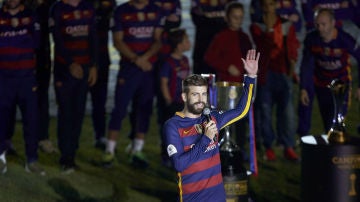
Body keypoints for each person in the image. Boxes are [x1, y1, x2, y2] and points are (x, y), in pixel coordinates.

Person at [163, 49, 258, 202]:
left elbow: (242, 111)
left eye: (204, 94)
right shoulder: (173, 126)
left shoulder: (212, 117)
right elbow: (179, 164)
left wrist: (251, 78)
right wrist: (206, 139)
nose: (201, 99)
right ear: (184, 97)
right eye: (195, 94)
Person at [101, 0, 163, 168]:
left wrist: (144, 58)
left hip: (148, 68)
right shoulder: (121, 11)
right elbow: (117, 41)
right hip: (128, 69)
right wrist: (136, 59)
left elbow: (158, 40)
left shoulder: (156, 10)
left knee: (144, 108)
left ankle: (137, 150)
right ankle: (109, 151)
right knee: (119, 109)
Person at [49, 0, 98, 173]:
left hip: (85, 68)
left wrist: (93, 65)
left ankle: (72, 155)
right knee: (66, 112)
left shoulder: (88, 7)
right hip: (65, 69)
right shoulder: (57, 8)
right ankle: (65, 157)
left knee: (78, 112)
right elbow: (57, 38)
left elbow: (93, 36)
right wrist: (70, 64)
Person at [298, 8, 360, 136]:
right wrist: (304, 87)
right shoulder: (312, 39)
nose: (320, 28)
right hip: (321, 83)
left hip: (340, 83)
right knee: (326, 117)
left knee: (337, 118)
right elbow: (306, 65)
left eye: (323, 24)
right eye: (317, 24)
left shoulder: (345, 39)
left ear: (333, 23)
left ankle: (338, 149)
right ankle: (329, 149)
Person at [250, 0, 299, 161]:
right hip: (266, 73)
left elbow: (292, 49)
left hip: (283, 72)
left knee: (287, 112)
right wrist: (270, 30)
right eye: (265, 4)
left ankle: (288, 145)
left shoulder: (286, 25)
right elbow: (263, 46)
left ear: (276, 5)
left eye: (271, 4)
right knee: (265, 111)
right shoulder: (256, 26)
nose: (268, 8)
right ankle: (268, 146)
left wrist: (290, 72)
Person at [0, 0, 45, 175]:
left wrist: (8, 39)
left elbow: (36, 43)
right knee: (1, 119)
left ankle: (31, 160)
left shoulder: (31, 16)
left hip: (26, 78)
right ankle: (1, 158)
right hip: (3, 78)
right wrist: (20, 38)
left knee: (31, 120)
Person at [204, 1, 252, 155]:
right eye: (234, 17)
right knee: (224, 118)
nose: (238, 20)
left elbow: (250, 58)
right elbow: (209, 57)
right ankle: (222, 148)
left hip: (241, 85)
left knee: (241, 117)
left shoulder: (244, 38)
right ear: (227, 17)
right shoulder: (221, 37)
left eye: (240, 17)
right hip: (225, 87)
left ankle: (240, 148)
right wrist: (227, 66)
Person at [158, 28, 191, 167]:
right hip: (172, 103)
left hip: (183, 102)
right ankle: (166, 156)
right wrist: (167, 100)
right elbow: (163, 82)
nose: (189, 42)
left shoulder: (185, 60)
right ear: (179, 45)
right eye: (186, 40)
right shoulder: (168, 62)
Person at [88, 0, 115, 150]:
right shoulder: (83, 7)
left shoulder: (108, 7)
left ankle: (100, 135)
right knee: (73, 103)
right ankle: (70, 140)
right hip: (83, 59)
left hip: (102, 59)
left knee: (100, 101)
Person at [190, 0, 236, 74]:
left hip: (224, 52)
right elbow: (197, 19)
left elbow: (235, 16)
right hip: (203, 50)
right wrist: (212, 7)